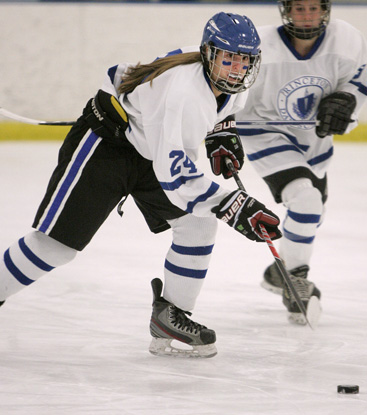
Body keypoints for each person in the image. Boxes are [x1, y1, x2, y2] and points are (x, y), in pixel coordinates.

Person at [0, 12, 282, 358]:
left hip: (149, 145)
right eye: (228, 58)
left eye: (244, 61)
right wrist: (234, 205)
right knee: (55, 247)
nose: (236, 69)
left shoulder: (224, 78)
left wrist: (221, 131)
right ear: (209, 53)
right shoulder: (185, 92)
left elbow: (216, 111)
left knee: (197, 223)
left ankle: (170, 315)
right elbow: (176, 176)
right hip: (107, 146)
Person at [206, 0, 367, 325]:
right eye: (298, 8)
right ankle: (296, 278)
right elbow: (229, 83)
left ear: (325, 10)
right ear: (285, 11)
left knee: (311, 215)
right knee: (306, 202)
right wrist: (219, 124)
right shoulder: (262, 45)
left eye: (312, 8)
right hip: (263, 131)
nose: (305, 16)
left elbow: (359, 78)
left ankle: (279, 273)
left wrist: (349, 99)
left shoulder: (346, 38)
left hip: (314, 140)